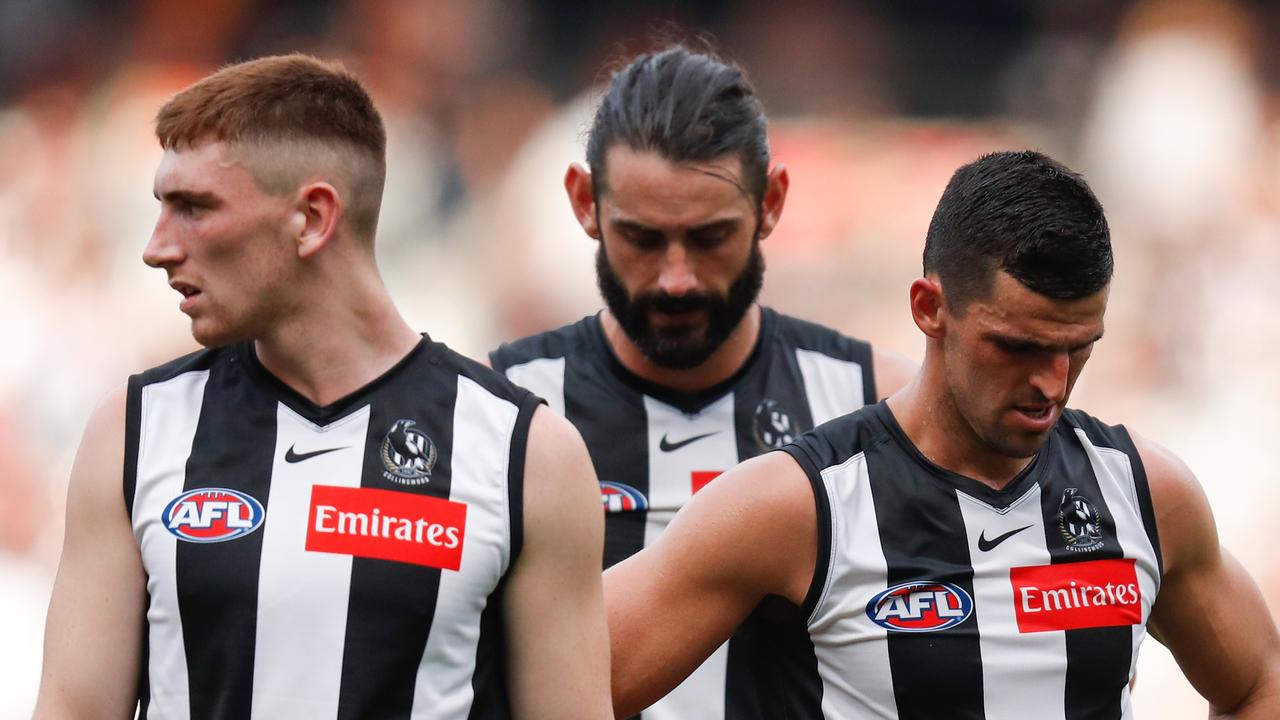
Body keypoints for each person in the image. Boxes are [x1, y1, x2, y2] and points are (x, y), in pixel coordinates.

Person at [34, 54, 611, 720]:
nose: (157, 247)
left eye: (192, 207)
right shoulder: (133, 432)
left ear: (311, 218)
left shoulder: (526, 454)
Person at [604, 150, 1280, 718]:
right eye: (1017, 345)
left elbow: (1257, 682)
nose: (1051, 381)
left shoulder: (1147, 494)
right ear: (931, 309)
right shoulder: (796, 509)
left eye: (1076, 347)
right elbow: (561, 681)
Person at [488, 45, 916, 720]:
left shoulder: (879, 404)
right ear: (583, 202)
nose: (677, 277)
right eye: (643, 238)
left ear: (771, 202)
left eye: (711, 236)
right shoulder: (497, 410)